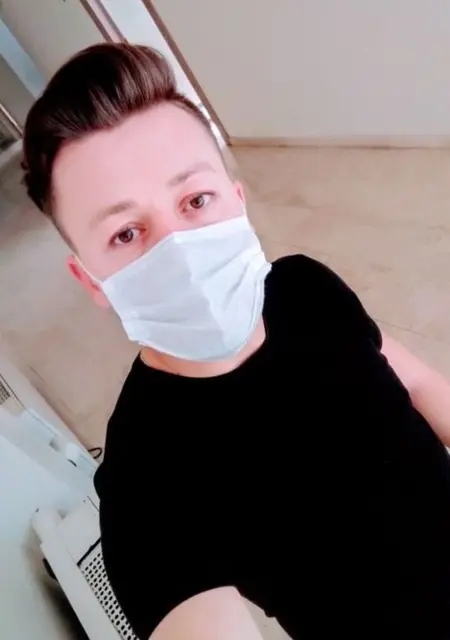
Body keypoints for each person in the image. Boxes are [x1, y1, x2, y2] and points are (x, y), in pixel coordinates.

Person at [23, 43, 450, 640]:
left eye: (196, 200)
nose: (178, 248)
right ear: (90, 280)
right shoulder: (144, 482)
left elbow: (418, 381)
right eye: (126, 233)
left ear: (237, 200)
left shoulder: (303, 286)